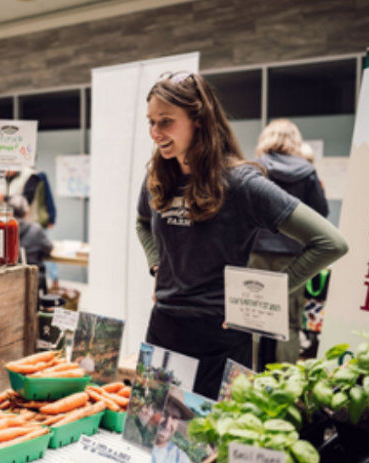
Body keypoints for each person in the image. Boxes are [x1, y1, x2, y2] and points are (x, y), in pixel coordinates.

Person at [136, 72, 348, 399]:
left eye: (166, 121)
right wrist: (156, 265)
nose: (155, 133)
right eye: (151, 122)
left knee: (209, 443)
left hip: (219, 337)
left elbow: (330, 242)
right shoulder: (159, 175)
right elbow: (141, 222)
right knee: (150, 437)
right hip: (163, 328)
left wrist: (263, 300)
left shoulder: (240, 182)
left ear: (200, 120)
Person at [249, 119, 329, 367]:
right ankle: (284, 385)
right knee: (289, 322)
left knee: (249, 317)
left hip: (255, 254)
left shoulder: (254, 168)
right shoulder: (306, 171)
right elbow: (321, 212)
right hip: (293, 256)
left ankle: (243, 379)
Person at [9, 195, 53, 293]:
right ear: (27, 211)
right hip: (34, 280)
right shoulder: (36, 230)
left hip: (9, 279)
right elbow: (48, 249)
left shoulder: (4, 230)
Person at [152, 388, 194, 463]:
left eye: (175, 417)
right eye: (164, 413)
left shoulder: (180, 458)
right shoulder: (135, 434)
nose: (167, 425)